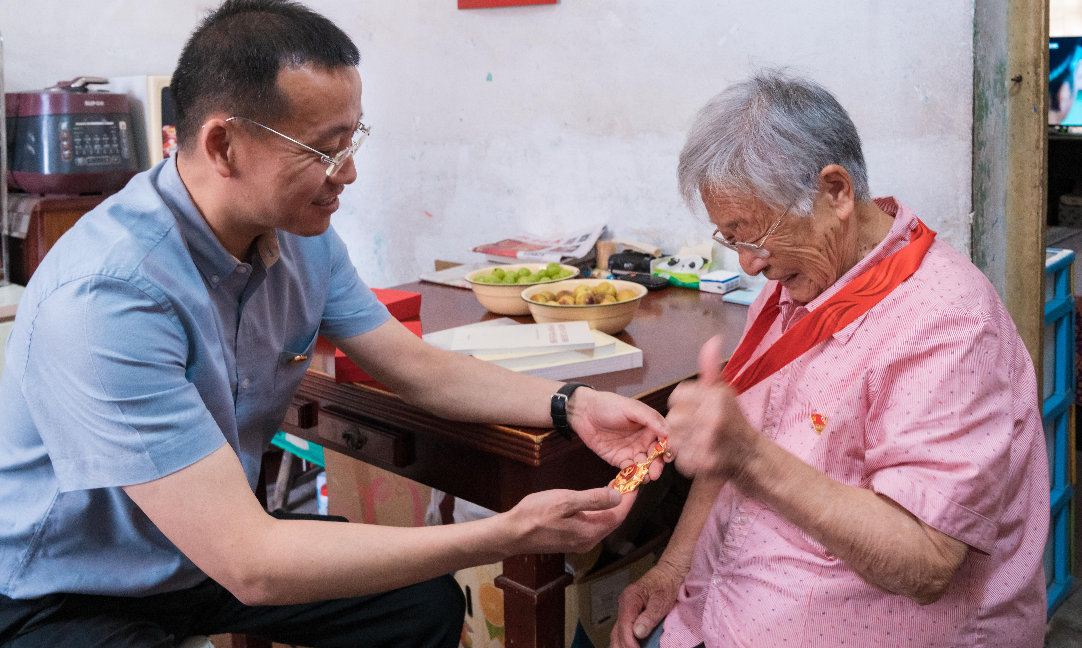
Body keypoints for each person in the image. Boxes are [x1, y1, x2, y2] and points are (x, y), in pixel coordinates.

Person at [0, 2, 669, 646]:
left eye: (352, 141)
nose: (347, 173)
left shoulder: (300, 238)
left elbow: (417, 368)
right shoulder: (109, 296)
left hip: (203, 553)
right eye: (323, 150)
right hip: (64, 588)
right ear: (224, 146)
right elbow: (251, 563)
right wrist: (505, 534)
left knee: (423, 606)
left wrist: (573, 404)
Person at [612, 71, 1048, 648]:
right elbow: (729, 443)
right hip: (712, 611)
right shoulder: (792, 284)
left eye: (754, 236)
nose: (748, 264)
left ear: (836, 192)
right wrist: (673, 569)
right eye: (730, 238)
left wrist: (751, 458)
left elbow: (927, 562)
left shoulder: (947, 322)